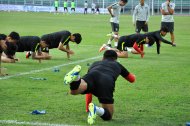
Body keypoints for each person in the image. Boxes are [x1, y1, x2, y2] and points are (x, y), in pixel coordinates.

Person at [63, 50, 135, 125]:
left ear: (103, 57)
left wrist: (87, 106)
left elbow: (89, 91)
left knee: (74, 91)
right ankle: (96, 109)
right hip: (106, 81)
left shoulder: (95, 63)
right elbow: (132, 79)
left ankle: (77, 77)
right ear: (115, 59)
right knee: (109, 116)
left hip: (92, 75)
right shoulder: (117, 64)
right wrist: (133, 76)